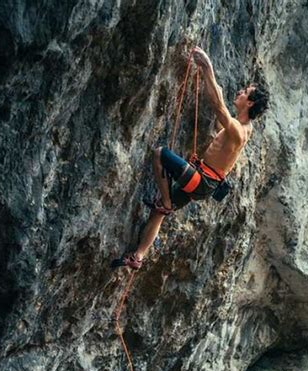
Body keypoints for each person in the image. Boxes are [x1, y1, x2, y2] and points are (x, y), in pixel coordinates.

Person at [112, 46, 269, 270]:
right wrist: (216, 92)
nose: (240, 92)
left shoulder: (240, 131)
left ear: (250, 102)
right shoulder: (241, 127)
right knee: (159, 213)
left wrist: (207, 67)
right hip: (203, 181)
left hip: (202, 180)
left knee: (159, 154)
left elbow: (219, 108)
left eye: (245, 92)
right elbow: (219, 120)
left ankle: (165, 201)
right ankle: (138, 256)